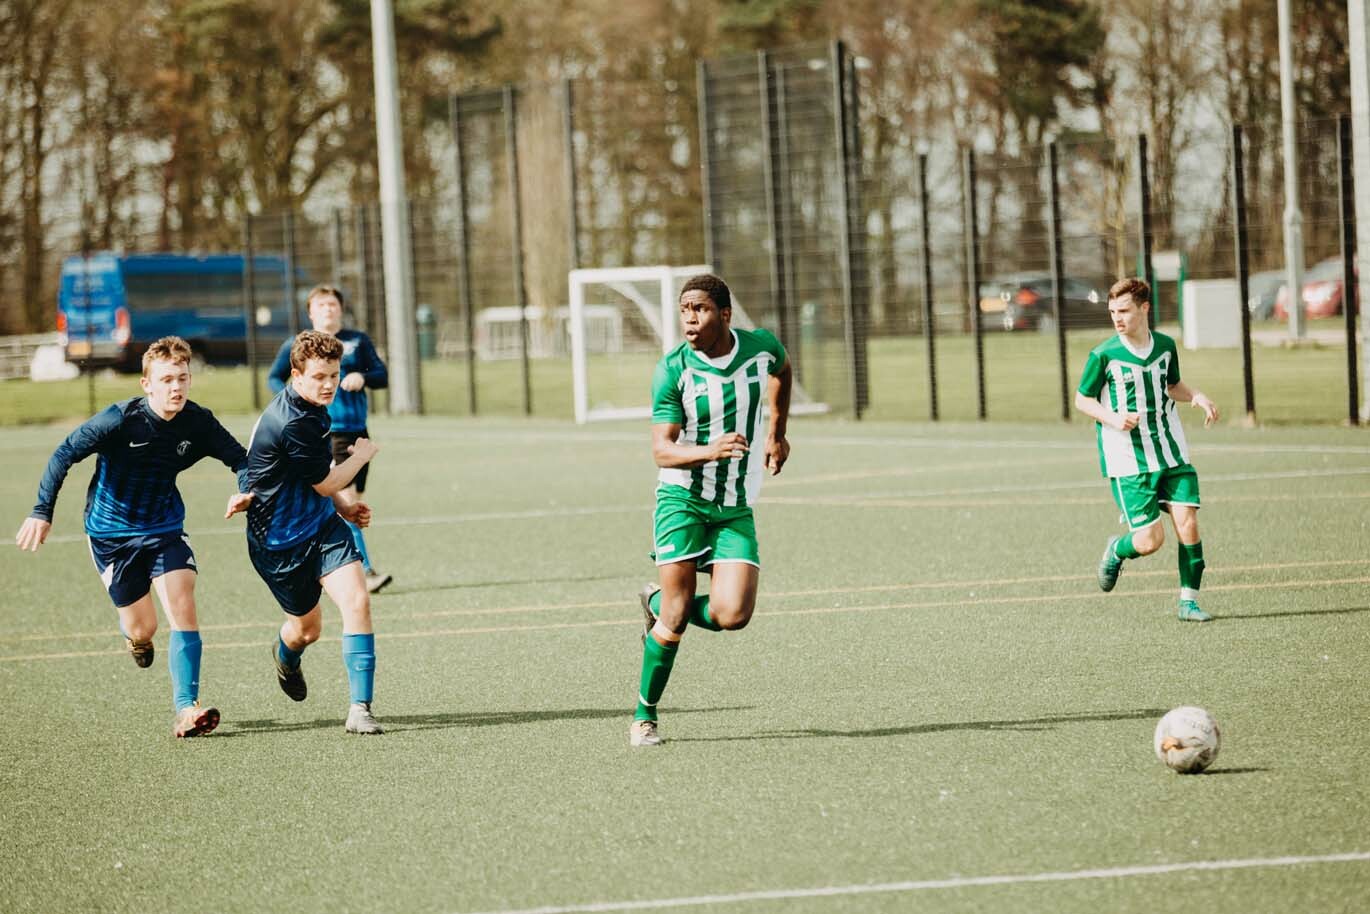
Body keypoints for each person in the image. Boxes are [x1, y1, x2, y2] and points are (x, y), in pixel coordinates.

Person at [15, 336, 250, 738]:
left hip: (164, 529)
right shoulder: (119, 419)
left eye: (182, 378)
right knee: (143, 628)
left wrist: (246, 488)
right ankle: (137, 639)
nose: (176, 387)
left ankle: (186, 709)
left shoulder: (198, 422)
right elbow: (64, 454)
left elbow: (242, 459)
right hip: (111, 535)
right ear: (147, 384)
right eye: (166, 380)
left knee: (183, 603)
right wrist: (42, 511)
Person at [629, 274, 792, 747]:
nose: (689, 320)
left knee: (733, 613)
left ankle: (654, 602)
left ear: (725, 314)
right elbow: (662, 451)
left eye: (699, 309)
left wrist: (776, 431)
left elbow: (782, 369)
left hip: (735, 504)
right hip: (681, 499)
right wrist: (708, 451)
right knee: (678, 616)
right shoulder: (673, 369)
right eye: (684, 310)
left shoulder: (760, 347)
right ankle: (644, 716)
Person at [232, 330, 383, 734]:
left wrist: (346, 509)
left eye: (333, 374)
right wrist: (362, 456)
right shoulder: (292, 420)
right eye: (319, 376)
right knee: (306, 630)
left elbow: (317, 485)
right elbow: (325, 482)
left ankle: (359, 709)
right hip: (278, 542)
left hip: (322, 527)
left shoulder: (315, 407)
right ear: (296, 376)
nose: (329, 383)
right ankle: (286, 656)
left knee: (357, 601)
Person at [1074, 277, 1220, 622]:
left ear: (1144, 308)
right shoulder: (1104, 354)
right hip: (1129, 460)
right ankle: (1116, 549)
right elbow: (1082, 400)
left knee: (1188, 522)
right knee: (1150, 541)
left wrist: (1196, 396)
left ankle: (1188, 601)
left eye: (1124, 310)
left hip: (1171, 451)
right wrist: (1112, 417)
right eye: (1112, 312)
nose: (1117, 318)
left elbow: (1172, 385)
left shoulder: (1166, 346)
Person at [267, 285, 391, 593]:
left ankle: (330, 564)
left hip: (357, 430)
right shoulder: (298, 346)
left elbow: (382, 375)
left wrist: (363, 377)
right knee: (344, 497)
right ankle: (363, 569)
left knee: (352, 503)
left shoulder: (357, 341)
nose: (328, 310)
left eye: (333, 305)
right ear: (310, 312)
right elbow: (274, 376)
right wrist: (292, 404)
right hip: (326, 431)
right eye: (321, 305)